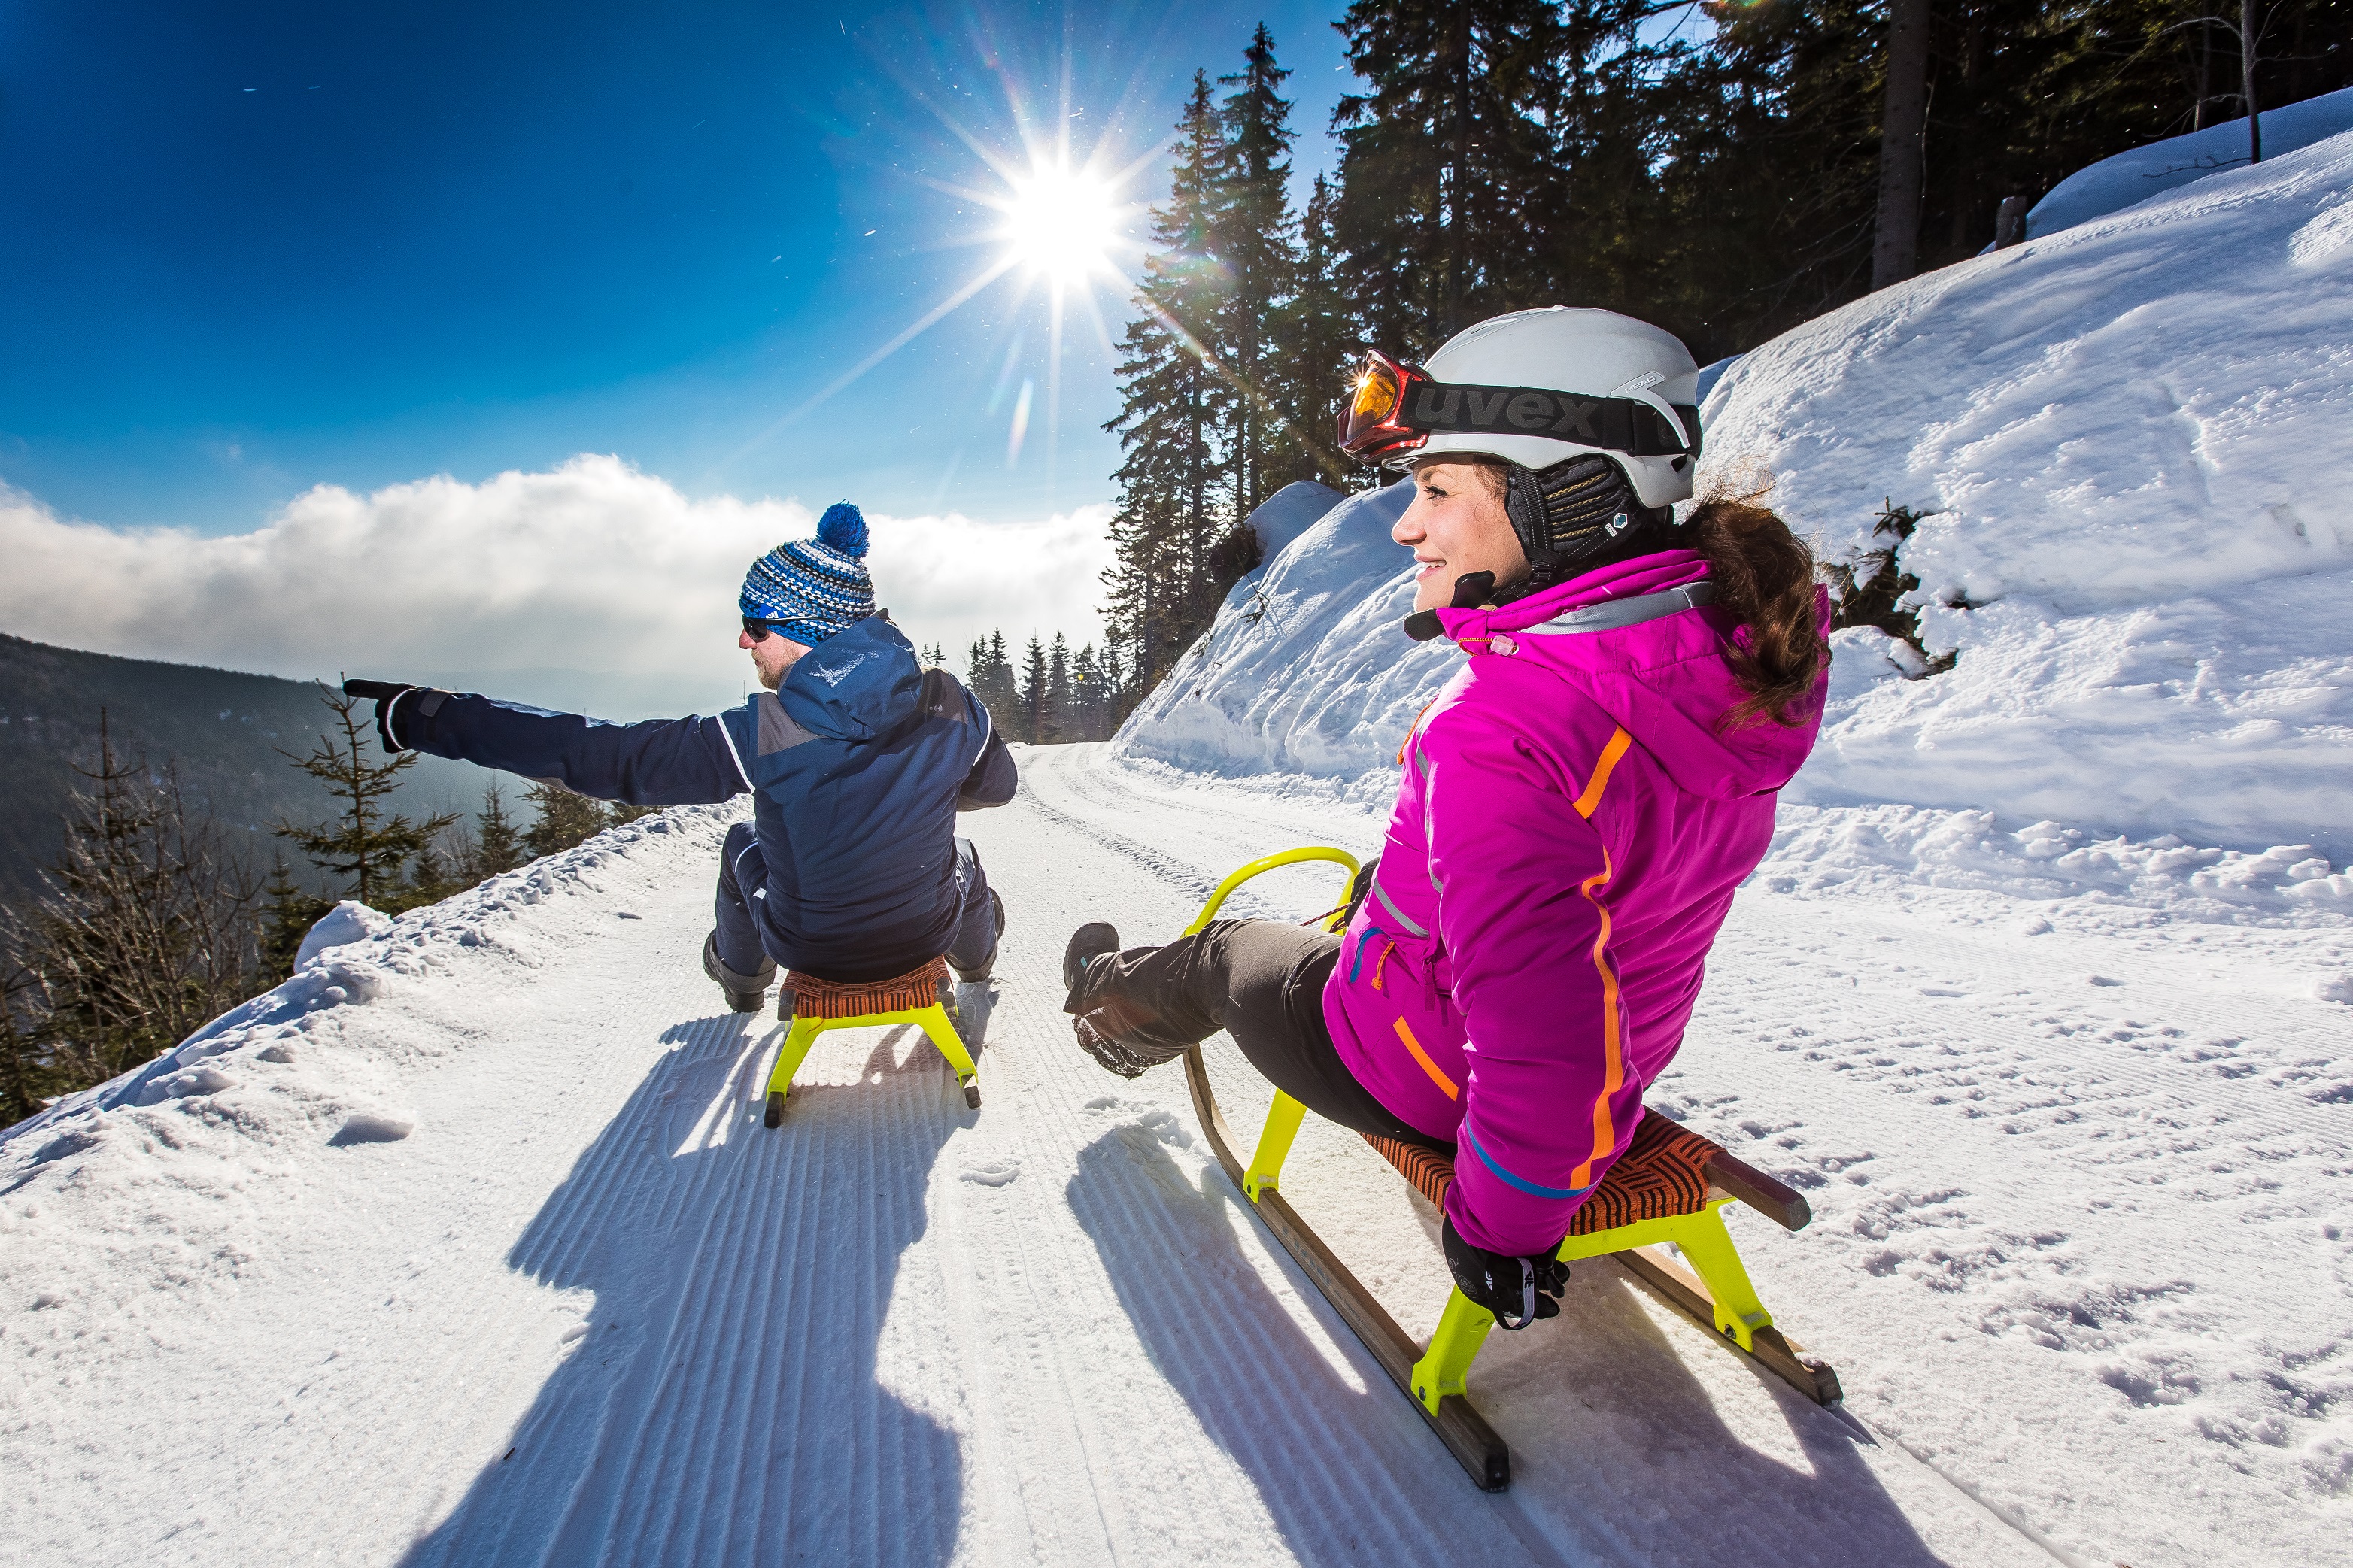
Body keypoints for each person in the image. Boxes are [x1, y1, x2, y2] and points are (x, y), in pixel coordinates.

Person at [1060, 308, 1829, 1330]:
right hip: (1631, 1047)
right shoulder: (1727, 659)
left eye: (1435, 489)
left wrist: (1504, 1224)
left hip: (1427, 1073)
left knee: (1224, 952)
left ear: (1565, 493)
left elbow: (1544, 1025)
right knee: (1373, 893)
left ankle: (1110, 1009)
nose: (1405, 526)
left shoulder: (1503, 727)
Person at [349, 502, 1015, 1011]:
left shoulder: (766, 731)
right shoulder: (949, 704)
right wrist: (918, 788)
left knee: (742, 843)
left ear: (808, 633)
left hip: (808, 945)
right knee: (960, 854)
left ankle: (742, 979)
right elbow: (997, 786)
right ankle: (978, 961)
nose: (744, 641)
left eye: (756, 624)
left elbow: (606, 755)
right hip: (925, 930)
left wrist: (434, 717)